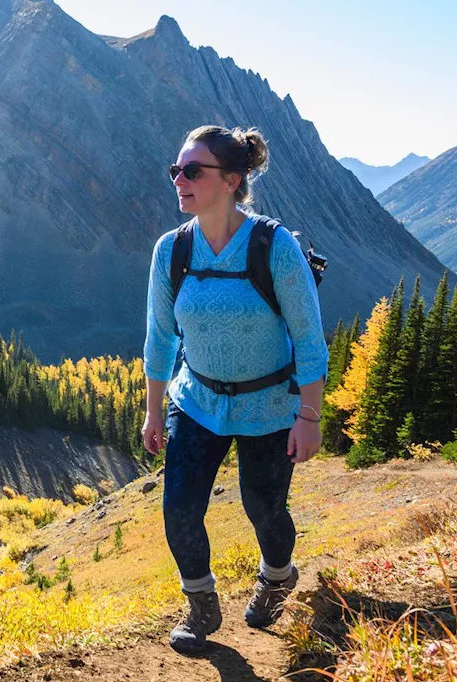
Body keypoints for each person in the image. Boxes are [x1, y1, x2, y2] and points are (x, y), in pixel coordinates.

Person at [142, 125, 327, 653]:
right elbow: (159, 337)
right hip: (195, 400)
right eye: (176, 170)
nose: (179, 179)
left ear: (232, 179)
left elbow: (308, 340)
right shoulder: (171, 251)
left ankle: (277, 578)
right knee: (178, 509)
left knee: (263, 509)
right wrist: (155, 412)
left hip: (269, 406)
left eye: (192, 171)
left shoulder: (275, 247)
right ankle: (201, 606)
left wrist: (308, 415)